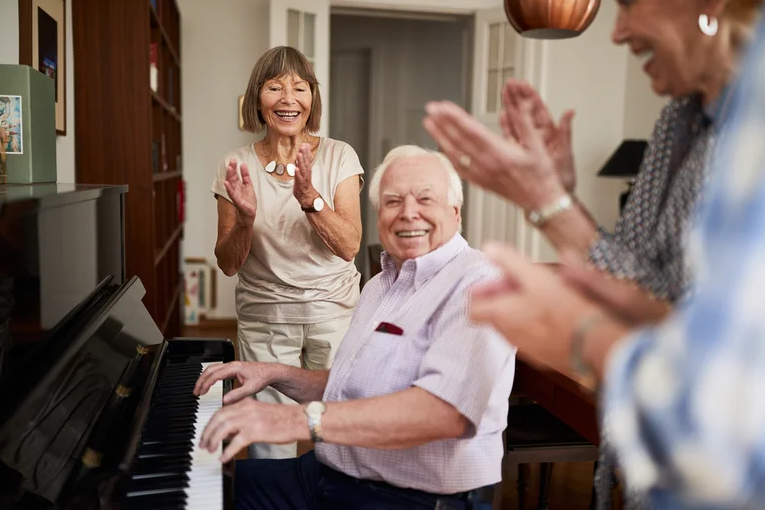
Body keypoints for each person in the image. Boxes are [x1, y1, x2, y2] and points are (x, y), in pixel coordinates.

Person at [423, 0, 762, 506]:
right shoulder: (679, 121)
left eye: (627, 5)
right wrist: (550, 199)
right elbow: (643, 282)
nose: (617, 33)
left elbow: (724, 384)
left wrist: (581, 335)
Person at [195, 145, 517, 510]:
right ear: (380, 216)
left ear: (455, 212)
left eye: (425, 199)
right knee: (200, 489)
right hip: (329, 475)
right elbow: (354, 387)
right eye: (393, 202)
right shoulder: (380, 285)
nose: (408, 213)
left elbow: (444, 413)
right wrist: (276, 374)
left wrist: (294, 419)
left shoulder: (483, 282)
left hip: (413, 498)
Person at [210, 46, 365, 460]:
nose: (287, 98)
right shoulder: (235, 165)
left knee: (337, 444)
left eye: (299, 88)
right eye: (274, 87)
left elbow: (350, 245)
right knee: (270, 450)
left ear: (312, 98)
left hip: (333, 314)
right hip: (266, 319)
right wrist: (245, 219)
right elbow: (227, 264)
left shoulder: (339, 156)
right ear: (256, 99)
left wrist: (310, 197)